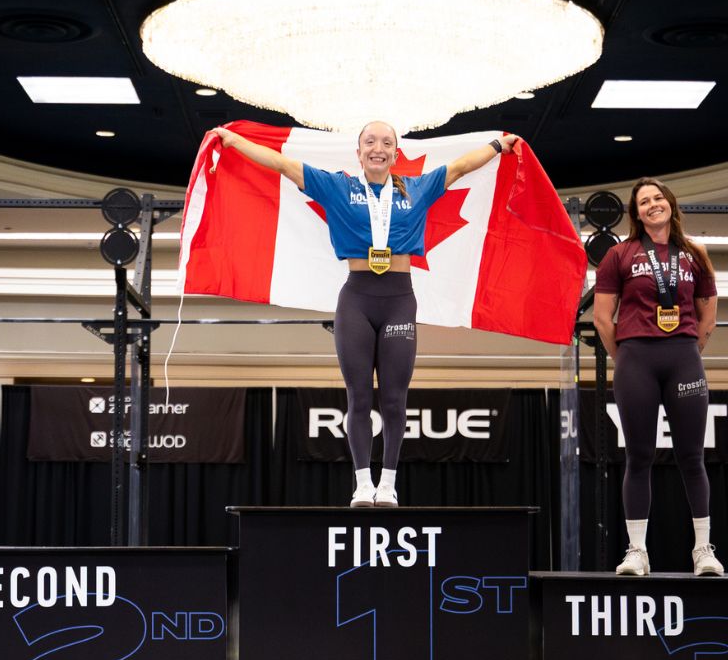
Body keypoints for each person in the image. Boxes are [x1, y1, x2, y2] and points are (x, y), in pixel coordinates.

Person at [211, 121, 518, 507]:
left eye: (386, 142)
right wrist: (236, 140)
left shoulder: (415, 188)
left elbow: (459, 168)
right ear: (358, 153)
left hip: (399, 300)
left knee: (394, 398)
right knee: (358, 396)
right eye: (370, 142)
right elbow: (282, 164)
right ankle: (362, 482)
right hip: (356, 299)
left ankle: (388, 482)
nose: (378, 148)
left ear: (395, 152)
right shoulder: (339, 187)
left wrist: (496, 142)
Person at [592, 178, 724, 577]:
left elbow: (709, 316)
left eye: (658, 198)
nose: (653, 204)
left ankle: (703, 550)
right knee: (639, 457)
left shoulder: (694, 254)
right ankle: (637, 552)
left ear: (670, 204)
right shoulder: (619, 254)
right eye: (644, 201)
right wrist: (627, 356)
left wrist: (687, 352)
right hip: (636, 359)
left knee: (692, 457)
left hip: (683, 357)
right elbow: (601, 317)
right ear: (636, 213)